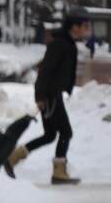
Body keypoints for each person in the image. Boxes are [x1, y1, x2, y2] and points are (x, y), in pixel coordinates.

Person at [8, 12, 86, 185]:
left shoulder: (66, 43)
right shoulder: (60, 44)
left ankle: (12, 158)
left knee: (50, 135)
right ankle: (59, 172)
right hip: (51, 95)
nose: (86, 29)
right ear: (75, 26)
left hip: (52, 94)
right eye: (85, 26)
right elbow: (45, 72)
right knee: (66, 132)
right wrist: (41, 96)